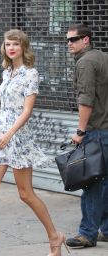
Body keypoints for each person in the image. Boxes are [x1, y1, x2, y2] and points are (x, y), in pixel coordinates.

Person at [0, 29, 69, 256]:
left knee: (25, 194)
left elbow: (25, 112)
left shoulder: (31, 74)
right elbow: (7, 108)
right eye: (8, 44)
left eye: (16, 44)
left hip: (18, 139)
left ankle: (55, 236)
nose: (11, 48)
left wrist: (10, 134)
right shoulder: (7, 73)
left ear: (23, 47)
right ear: (4, 48)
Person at [66, 23, 108, 249]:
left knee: (92, 182)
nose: (69, 44)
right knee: (105, 182)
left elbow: (86, 99)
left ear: (86, 40)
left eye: (74, 39)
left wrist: (80, 131)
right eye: (68, 40)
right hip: (106, 129)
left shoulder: (85, 62)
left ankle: (87, 233)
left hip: (97, 131)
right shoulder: (103, 57)